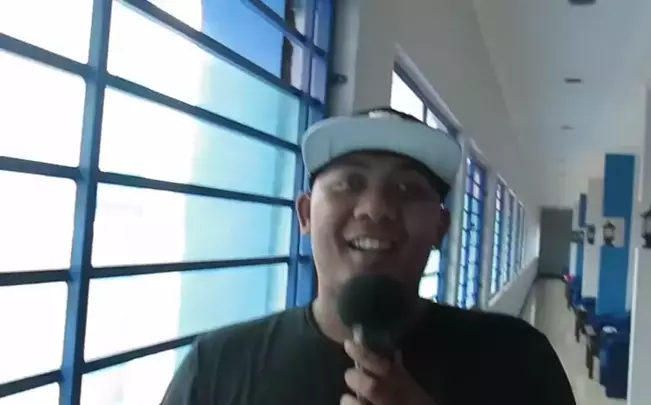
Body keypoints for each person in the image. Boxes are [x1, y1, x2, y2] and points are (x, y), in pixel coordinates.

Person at [160, 107, 576, 405]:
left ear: (441, 228)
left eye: (407, 189)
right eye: (349, 183)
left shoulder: (517, 358)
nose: (375, 209)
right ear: (305, 215)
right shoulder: (216, 368)